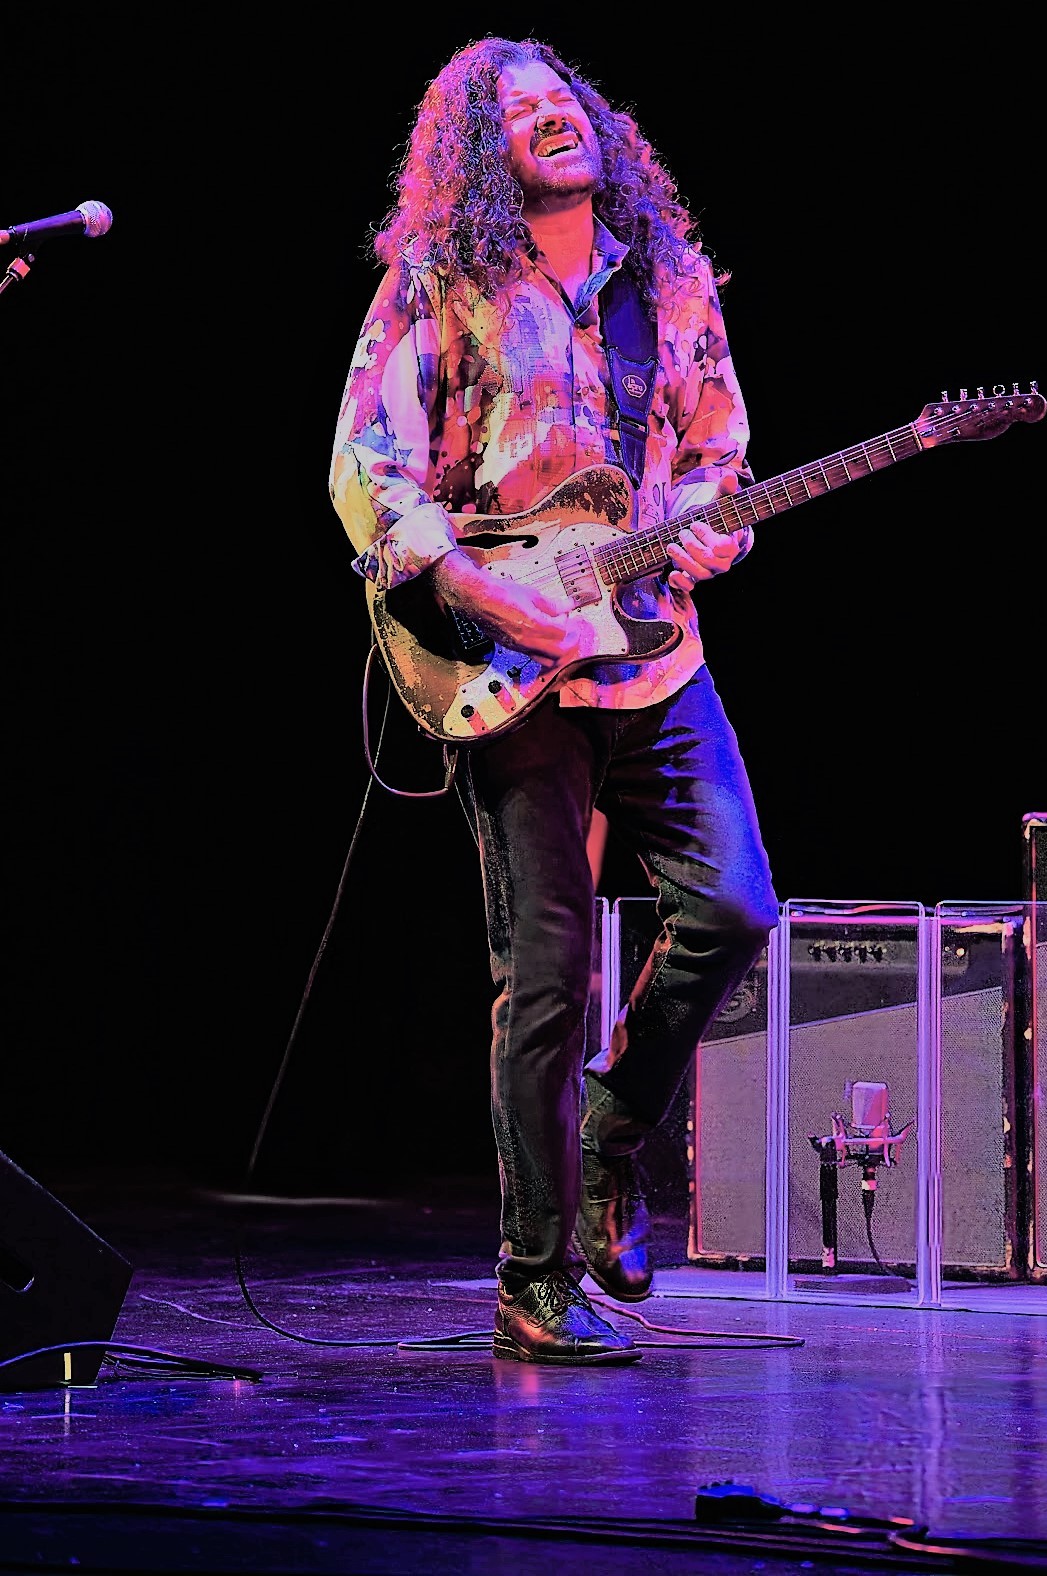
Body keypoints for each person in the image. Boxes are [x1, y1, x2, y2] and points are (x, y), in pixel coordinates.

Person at [329, 35, 778, 1366]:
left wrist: (709, 528)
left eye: (560, 99)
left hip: (653, 652)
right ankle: (535, 1283)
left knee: (735, 905)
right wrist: (479, 590)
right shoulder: (440, 283)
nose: (548, 116)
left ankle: (612, 1127)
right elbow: (369, 468)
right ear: (484, 149)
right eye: (515, 112)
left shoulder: (671, 283)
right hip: (512, 668)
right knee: (545, 972)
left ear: (598, 124)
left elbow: (717, 452)